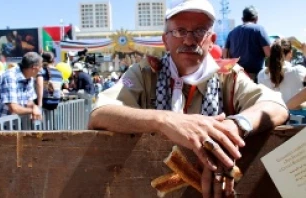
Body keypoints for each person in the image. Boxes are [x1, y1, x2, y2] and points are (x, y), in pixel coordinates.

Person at [88, 0, 288, 197]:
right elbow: (101, 113)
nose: (189, 40)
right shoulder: (144, 72)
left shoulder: (228, 75)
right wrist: (164, 121)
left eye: (200, 31)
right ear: (165, 40)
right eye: (180, 31)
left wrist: (233, 128)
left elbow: (275, 105)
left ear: (212, 40)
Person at [223, 6, 271, 82]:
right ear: (256, 18)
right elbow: (269, 53)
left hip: (236, 76)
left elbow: (225, 55)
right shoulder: (259, 29)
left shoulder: (231, 33)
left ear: (242, 19)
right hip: (254, 77)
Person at [257, 39, 306, 103]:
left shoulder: (261, 74)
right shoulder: (298, 71)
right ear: (290, 53)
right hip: (294, 112)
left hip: (270, 112)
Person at [0, 52, 42, 119]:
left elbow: (29, 102)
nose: (41, 70)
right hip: (1, 126)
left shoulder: (29, 78)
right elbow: (13, 109)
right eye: (40, 67)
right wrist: (32, 110)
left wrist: (34, 107)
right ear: (34, 68)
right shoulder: (10, 77)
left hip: (14, 125)